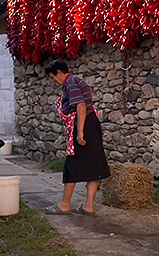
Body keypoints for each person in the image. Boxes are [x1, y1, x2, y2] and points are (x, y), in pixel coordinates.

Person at [44, 60, 110, 215]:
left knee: (71, 164)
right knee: (94, 164)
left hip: (84, 124)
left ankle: (64, 205)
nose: (54, 80)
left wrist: (80, 132)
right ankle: (89, 206)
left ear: (59, 72)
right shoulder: (75, 81)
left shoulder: (71, 82)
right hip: (91, 123)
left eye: (53, 77)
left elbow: (80, 105)